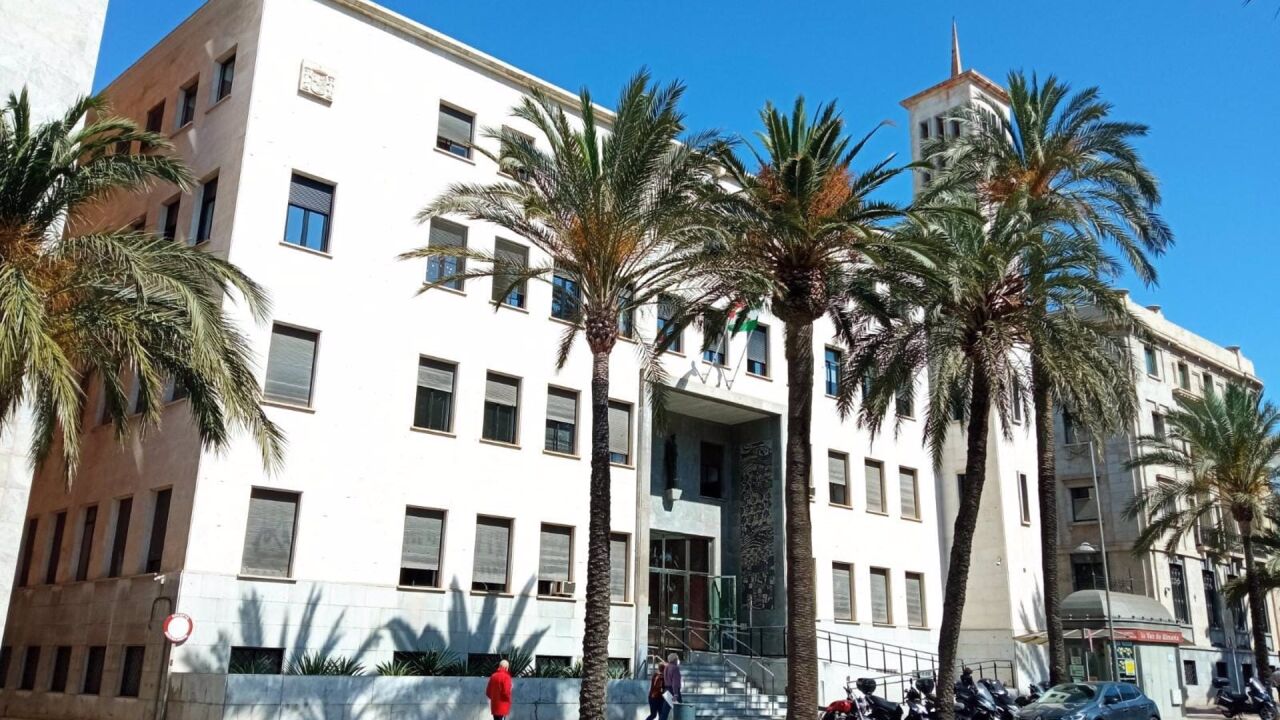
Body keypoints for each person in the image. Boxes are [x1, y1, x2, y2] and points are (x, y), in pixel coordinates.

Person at [660, 653, 682, 720]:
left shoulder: (666, 667)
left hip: (667, 690)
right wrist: (676, 694)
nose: (678, 660)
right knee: (680, 710)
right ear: (675, 659)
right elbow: (675, 682)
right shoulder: (675, 668)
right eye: (677, 658)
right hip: (673, 690)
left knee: (664, 711)